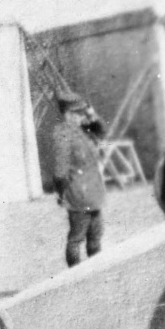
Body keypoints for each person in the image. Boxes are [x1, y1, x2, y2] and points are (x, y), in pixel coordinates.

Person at [50, 92, 107, 267]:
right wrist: (61, 193)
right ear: (68, 114)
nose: (81, 116)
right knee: (77, 238)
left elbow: (102, 132)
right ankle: (75, 277)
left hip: (93, 193)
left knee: (95, 237)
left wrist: (92, 114)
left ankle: (95, 274)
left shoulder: (83, 129)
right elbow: (60, 172)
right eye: (78, 113)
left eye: (82, 113)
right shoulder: (63, 134)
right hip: (78, 194)